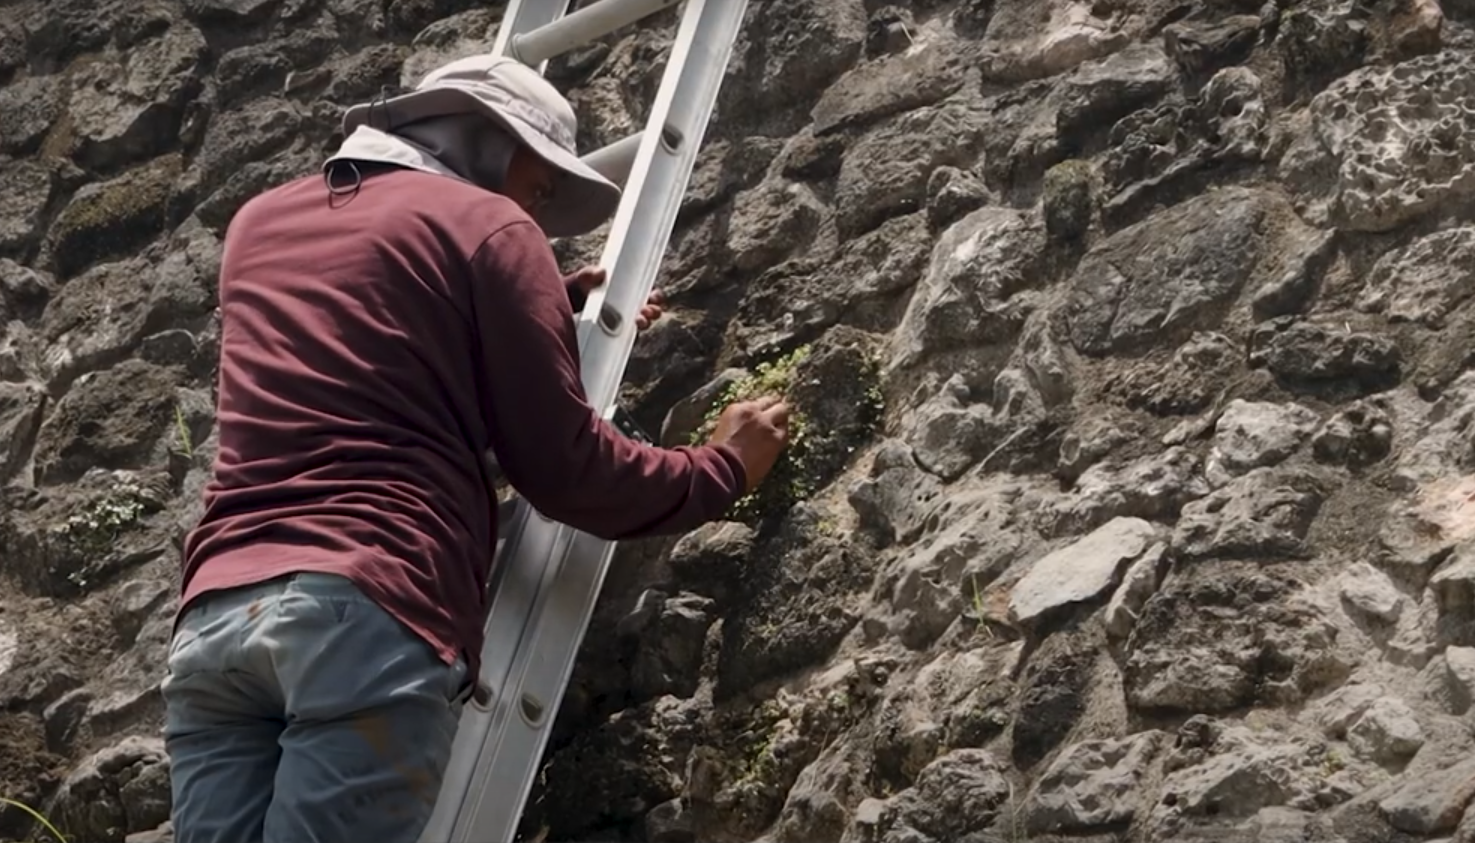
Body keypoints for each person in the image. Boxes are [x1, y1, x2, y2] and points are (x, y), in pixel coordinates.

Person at [161, 54, 791, 843]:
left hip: (218, 618)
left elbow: (363, 347)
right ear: (492, 142)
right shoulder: (491, 227)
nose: (540, 201)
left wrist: (537, 306)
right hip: (364, 605)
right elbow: (565, 469)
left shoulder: (259, 223)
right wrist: (719, 467)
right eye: (538, 181)